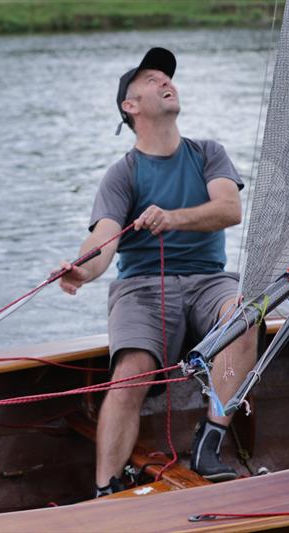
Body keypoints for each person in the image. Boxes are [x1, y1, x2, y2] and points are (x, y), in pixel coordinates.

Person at [58, 47, 257, 496]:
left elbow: (229, 209)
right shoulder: (121, 175)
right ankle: (105, 490)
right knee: (131, 369)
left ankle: (210, 441)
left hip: (211, 281)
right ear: (131, 107)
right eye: (150, 79)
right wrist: (81, 269)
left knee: (244, 317)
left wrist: (172, 217)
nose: (165, 81)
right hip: (143, 288)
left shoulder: (208, 153)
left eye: (166, 76)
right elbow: (103, 242)